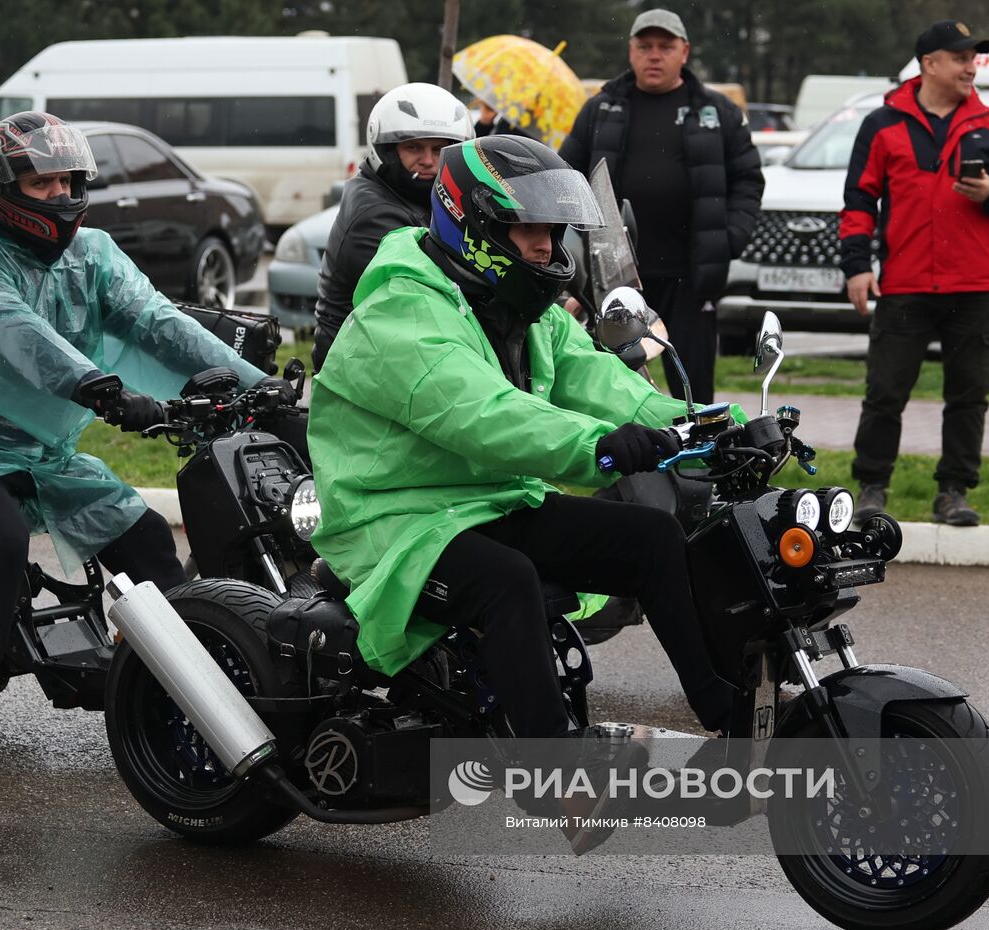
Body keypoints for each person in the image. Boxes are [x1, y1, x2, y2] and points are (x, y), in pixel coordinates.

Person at [0, 112, 294, 771]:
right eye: (43, 184)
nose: (63, 197)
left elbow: (157, 322)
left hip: (45, 452)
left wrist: (258, 389)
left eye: (70, 181)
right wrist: (102, 389)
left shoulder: (89, 256)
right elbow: (18, 337)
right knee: (2, 541)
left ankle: (166, 684)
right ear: (1, 187)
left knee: (148, 538)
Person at [308, 135, 739, 741]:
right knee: (507, 579)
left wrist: (716, 423)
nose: (547, 246)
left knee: (656, 538)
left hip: (485, 502)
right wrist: (602, 445)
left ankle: (732, 713)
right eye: (528, 230)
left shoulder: (522, 304)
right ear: (474, 226)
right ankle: (556, 776)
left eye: (553, 230)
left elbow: (602, 382)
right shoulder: (400, 310)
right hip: (395, 516)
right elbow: (483, 415)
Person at [842, 21, 989, 526]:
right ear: (930, 64)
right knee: (885, 393)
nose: (973, 67)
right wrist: (857, 267)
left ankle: (954, 493)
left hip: (976, 287)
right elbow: (859, 201)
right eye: (962, 58)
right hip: (904, 284)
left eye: (975, 58)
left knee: (969, 398)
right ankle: (871, 488)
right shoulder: (882, 123)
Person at [559, 8, 762, 404]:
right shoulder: (601, 110)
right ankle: (630, 461)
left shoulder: (717, 113)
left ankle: (702, 461)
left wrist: (729, 239)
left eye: (665, 47)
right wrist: (574, 261)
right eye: (645, 46)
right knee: (617, 384)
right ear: (631, 52)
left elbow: (748, 181)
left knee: (694, 388)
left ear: (684, 52)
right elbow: (565, 182)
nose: (655, 55)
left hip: (691, 276)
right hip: (615, 277)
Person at [311, 83, 474, 370]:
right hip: (361, 368)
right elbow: (433, 293)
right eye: (414, 148)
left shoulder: (413, 197)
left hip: (389, 350)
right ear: (386, 150)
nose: (428, 160)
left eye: (439, 149)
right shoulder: (377, 215)